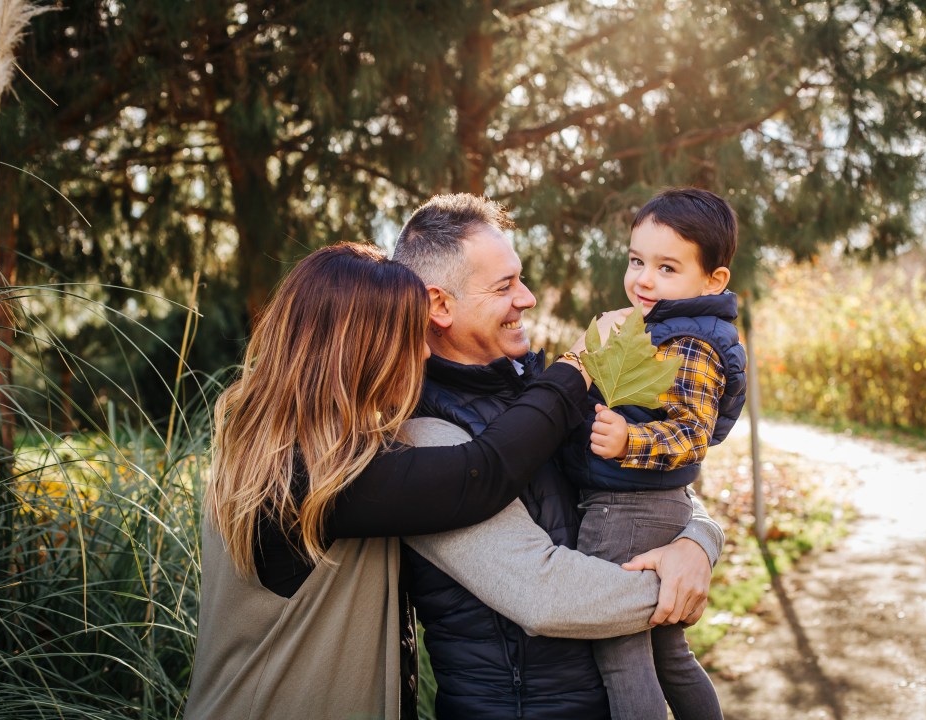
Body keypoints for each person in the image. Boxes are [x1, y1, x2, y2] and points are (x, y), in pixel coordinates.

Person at [184, 242, 617, 720]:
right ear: (360, 349)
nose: (421, 351)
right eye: (408, 335)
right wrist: (577, 367)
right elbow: (482, 473)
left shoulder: (273, 447)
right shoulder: (307, 474)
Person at [392, 194, 726, 719]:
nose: (526, 298)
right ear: (440, 305)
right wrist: (672, 587)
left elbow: (644, 479)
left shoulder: (542, 387)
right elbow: (545, 594)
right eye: (504, 286)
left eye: (520, 278)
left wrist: (697, 542)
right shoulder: (426, 437)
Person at [563, 187, 747, 720]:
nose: (644, 278)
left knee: (620, 651)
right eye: (637, 260)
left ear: (713, 280)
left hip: (627, 511)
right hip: (652, 505)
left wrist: (628, 441)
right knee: (669, 651)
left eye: (667, 268)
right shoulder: (657, 328)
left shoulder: (691, 343)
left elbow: (691, 435)